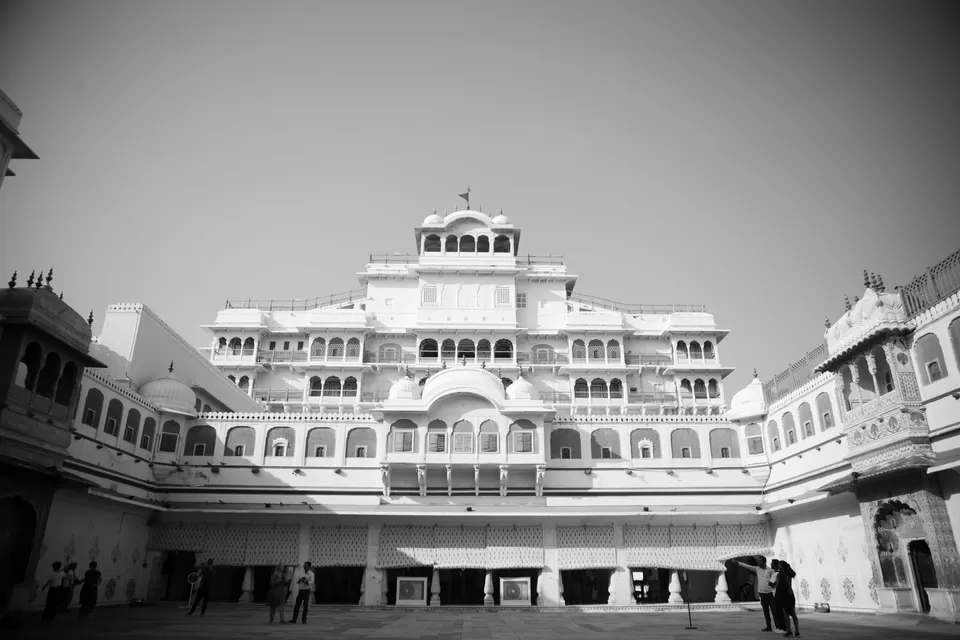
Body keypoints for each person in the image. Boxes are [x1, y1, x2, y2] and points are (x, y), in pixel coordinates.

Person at [735, 556, 776, 632]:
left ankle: (778, 627)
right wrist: (738, 563)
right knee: (766, 612)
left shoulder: (770, 571)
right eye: (758, 561)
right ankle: (768, 626)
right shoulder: (757, 569)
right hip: (762, 594)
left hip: (770, 594)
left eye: (760, 561)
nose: (758, 562)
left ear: (764, 562)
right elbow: (748, 566)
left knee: (774, 611)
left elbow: (774, 581)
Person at [772, 560, 799, 638]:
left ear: (782, 566)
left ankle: (789, 631)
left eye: (779, 565)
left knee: (786, 614)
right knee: (793, 614)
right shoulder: (789, 574)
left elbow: (777, 586)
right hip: (791, 594)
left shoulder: (780, 575)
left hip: (784, 595)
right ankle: (797, 631)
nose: (778, 566)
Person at [768, 559, 786, 633]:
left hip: (776, 594)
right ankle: (782, 627)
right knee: (781, 611)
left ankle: (782, 628)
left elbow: (771, 583)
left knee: (778, 612)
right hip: (781, 594)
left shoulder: (775, 574)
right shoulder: (781, 573)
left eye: (772, 564)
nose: (771, 565)